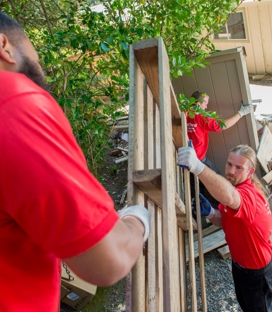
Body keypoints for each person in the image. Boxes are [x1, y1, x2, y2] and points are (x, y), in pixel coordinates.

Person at [0, 12, 150, 312]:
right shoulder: (15, 103)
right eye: (35, 56)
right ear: (4, 46)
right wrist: (136, 221)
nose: (40, 69)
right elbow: (109, 261)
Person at [178, 144, 272, 312]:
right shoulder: (236, 192)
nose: (231, 171)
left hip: (258, 274)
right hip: (242, 267)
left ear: (250, 172)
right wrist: (211, 213)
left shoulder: (247, 195)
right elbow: (227, 221)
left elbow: (231, 197)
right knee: (248, 305)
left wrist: (197, 166)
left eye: (239, 167)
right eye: (229, 164)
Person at [187, 90, 254, 210]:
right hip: (199, 160)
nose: (207, 107)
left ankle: (199, 210)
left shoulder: (184, 113)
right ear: (197, 104)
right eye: (205, 103)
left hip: (187, 159)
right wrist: (241, 112)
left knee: (195, 188)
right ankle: (219, 208)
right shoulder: (200, 117)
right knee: (217, 180)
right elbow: (223, 125)